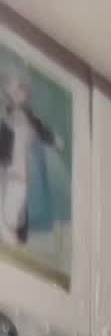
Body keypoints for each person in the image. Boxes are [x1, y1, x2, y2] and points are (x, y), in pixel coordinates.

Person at [0, 68, 65, 247]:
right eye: (11, 89)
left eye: (19, 89)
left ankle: (14, 239)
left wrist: (54, 139)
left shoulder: (31, 119)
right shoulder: (7, 117)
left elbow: (47, 134)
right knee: (8, 206)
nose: (16, 93)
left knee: (17, 208)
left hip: (24, 173)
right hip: (8, 170)